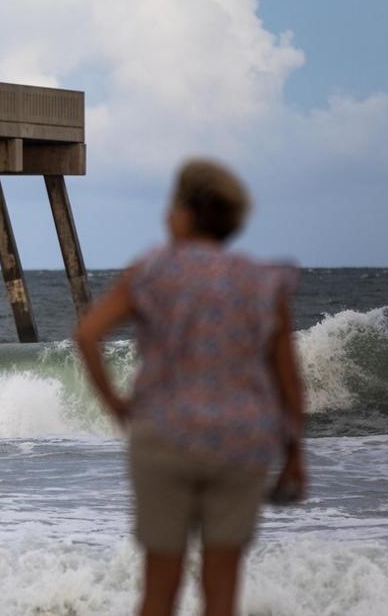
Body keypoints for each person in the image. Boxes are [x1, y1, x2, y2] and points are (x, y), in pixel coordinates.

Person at [74, 158, 306, 616]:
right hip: (242, 442)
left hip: (165, 435)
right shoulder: (261, 281)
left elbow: (86, 335)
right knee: (222, 592)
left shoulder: (153, 271)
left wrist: (118, 406)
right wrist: (294, 454)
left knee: (159, 589)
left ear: (184, 212)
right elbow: (287, 378)